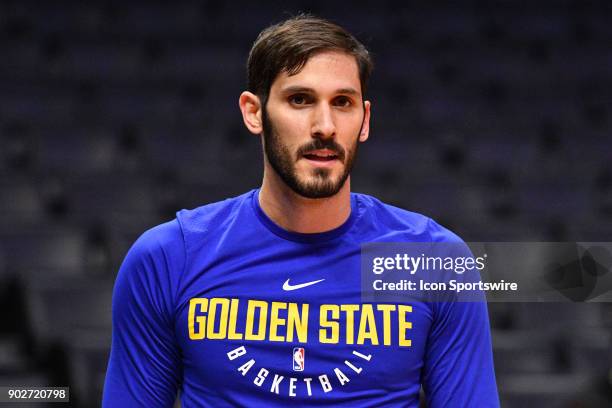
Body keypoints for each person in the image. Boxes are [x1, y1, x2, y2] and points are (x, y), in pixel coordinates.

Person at [103, 15, 499, 407]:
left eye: (343, 103)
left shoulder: (434, 261)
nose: (324, 126)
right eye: (300, 99)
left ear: (364, 120)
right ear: (254, 112)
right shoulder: (169, 257)